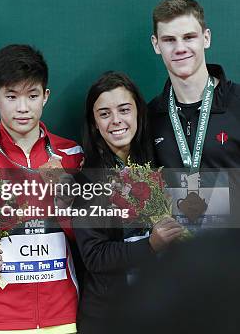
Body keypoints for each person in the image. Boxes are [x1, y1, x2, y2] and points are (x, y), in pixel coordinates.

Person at [0, 44, 84, 333]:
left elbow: (90, 235)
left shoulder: (72, 155)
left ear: (45, 97)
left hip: (64, 314)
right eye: (11, 96)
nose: (23, 108)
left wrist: (64, 192)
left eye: (32, 96)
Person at [73, 71, 183, 333]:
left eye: (124, 109)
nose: (116, 121)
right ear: (94, 124)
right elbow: (95, 257)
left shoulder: (162, 165)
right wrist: (152, 244)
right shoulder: (87, 181)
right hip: (111, 316)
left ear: (138, 113)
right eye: (104, 114)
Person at [148, 0, 240, 227]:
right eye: (169, 39)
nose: (180, 48)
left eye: (189, 37)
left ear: (205, 38)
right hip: (181, 256)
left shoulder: (237, 103)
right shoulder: (150, 116)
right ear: (156, 45)